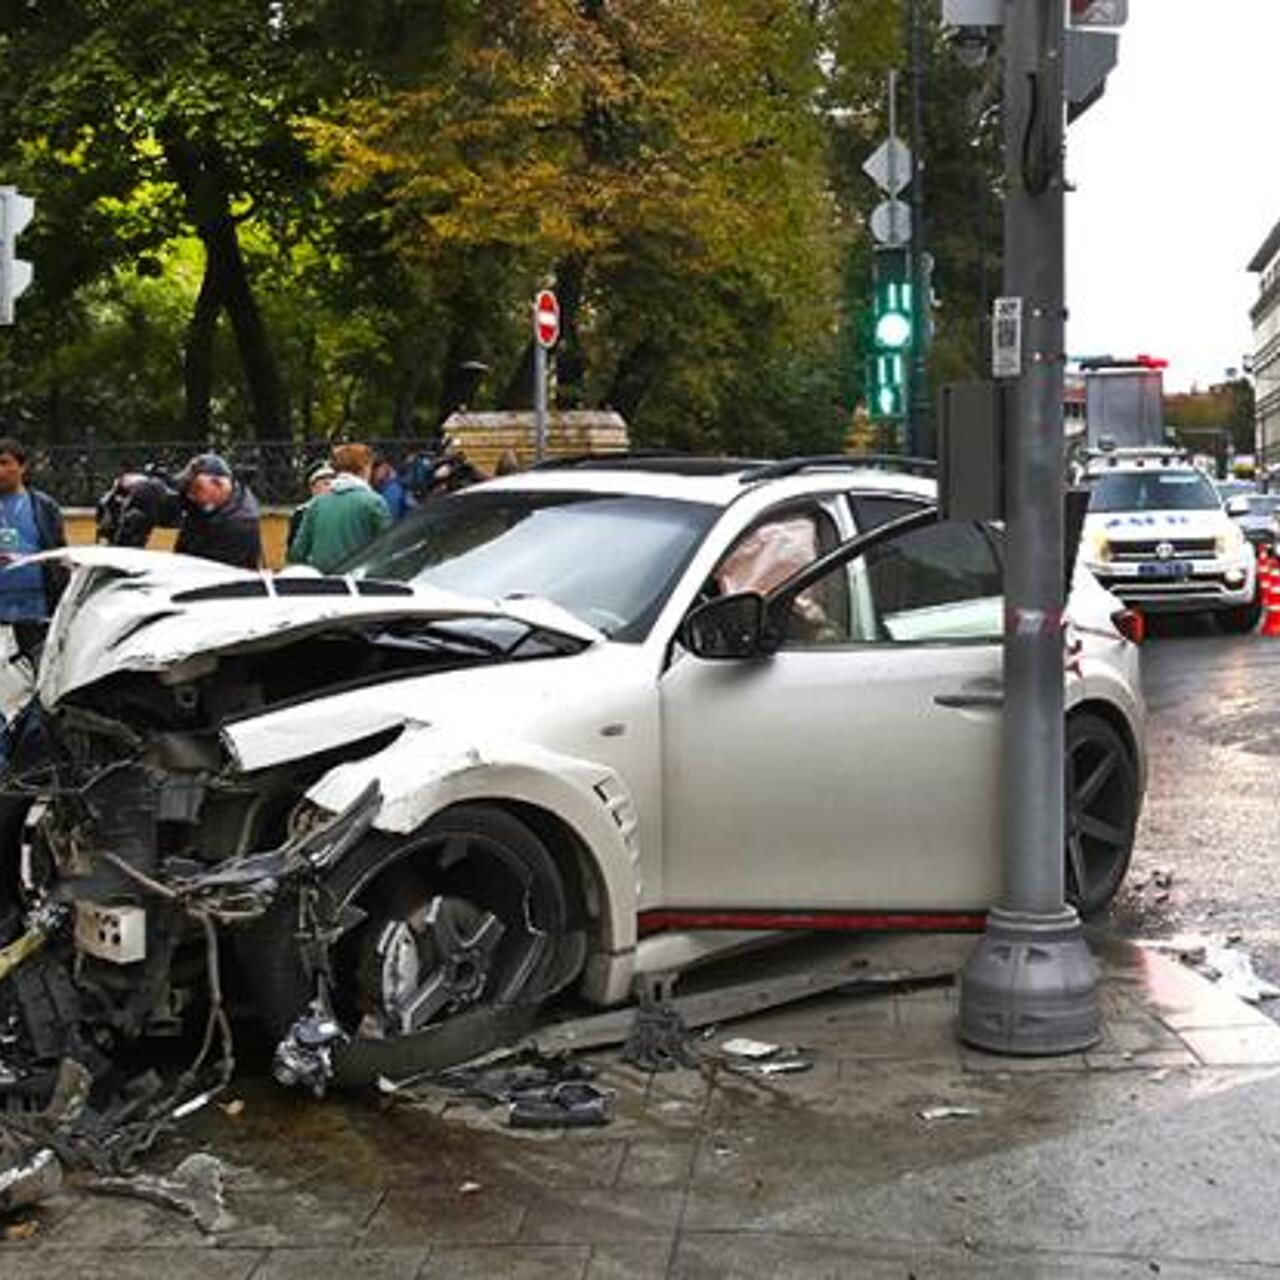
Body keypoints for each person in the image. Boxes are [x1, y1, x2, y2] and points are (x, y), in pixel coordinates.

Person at [0, 436, 67, 658]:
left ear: (22, 466)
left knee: (39, 675)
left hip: (36, 611)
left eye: (4, 463)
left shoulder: (44, 506)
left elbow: (60, 556)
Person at [288, 442, 391, 572]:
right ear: (364, 467)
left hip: (323, 583)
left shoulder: (317, 503)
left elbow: (297, 553)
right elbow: (387, 550)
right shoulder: (375, 502)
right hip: (359, 585)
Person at [172, 454, 263, 569]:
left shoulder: (241, 523)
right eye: (188, 488)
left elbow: (215, 573)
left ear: (218, 484)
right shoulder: (209, 503)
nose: (191, 496)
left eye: (196, 488)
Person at [286, 462, 335, 557]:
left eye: (333, 481)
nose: (331, 486)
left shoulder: (342, 510)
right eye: (326, 483)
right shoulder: (302, 513)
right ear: (313, 488)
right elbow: (294, 549)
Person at [371, 453, 410, 522]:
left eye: (374, 469)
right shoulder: (388, 487)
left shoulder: (392, 489)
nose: (372, 474)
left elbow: (391, 517)